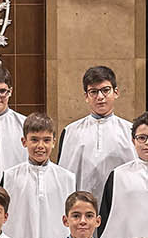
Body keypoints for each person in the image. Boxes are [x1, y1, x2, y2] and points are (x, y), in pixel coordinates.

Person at [57, 65, 134, 203]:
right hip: (81, 210)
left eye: (105, 90)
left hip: (120, 206)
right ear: (86, 96)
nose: (100, 97)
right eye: (93, 92)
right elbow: (63, 176)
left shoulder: (131, 131)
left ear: (116, 92)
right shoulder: (70, 131)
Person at [2, 113, 76, 238]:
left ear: (54, 142)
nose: (40, 146)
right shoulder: (9, 177)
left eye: (46, 140)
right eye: (34, 140)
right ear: (24, 142)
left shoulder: (67, 178)